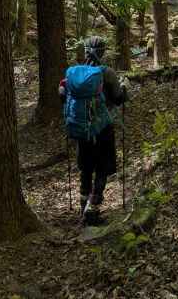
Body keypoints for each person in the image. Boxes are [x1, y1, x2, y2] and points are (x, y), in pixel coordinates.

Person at [59, 35, 128, 224]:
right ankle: (93, 206)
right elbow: (119, 99)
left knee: (86, 166)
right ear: (103, 51)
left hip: (81, 129)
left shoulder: (73, 73)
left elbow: (63, 96)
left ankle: (84, 205)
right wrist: (124, 87)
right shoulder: (107, 73)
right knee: (103, 167)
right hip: (103, 129)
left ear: (85, 50)